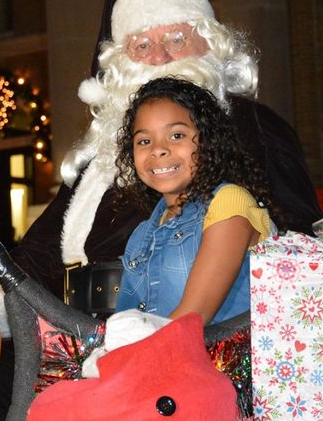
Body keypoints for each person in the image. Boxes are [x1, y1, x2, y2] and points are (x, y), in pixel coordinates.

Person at [10, 0, 320, 298]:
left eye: (176, 39)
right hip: (78, 328)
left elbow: (299, 244)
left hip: (195, 325)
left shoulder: (253, 125)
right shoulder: (105, 147)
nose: (159, 58)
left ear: (211, 44)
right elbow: (40, 251)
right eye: (142, 45)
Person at [113, 77, 274, 325]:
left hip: (218, 361)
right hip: (156, 354)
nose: (158, 149)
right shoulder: (142, 234)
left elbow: (192, 318)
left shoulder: (229, 202)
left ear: (209, 140)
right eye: (144, 141)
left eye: (176, 135)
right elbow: (126, 323)